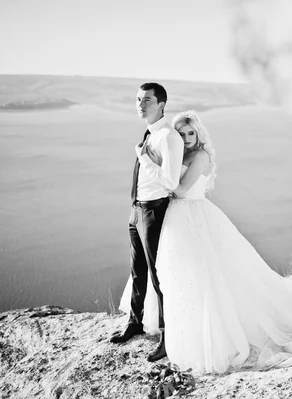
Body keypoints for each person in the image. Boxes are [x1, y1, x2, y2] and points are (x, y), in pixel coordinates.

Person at [120, 110, 292, 373]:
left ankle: (212, 334)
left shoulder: (201, 156)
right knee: (181, 277)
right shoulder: (181, 152)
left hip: (195, 217)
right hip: (177, 219)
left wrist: (148, 162)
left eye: (190, 132)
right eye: (181, 133)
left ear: (199, 134)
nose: (186, 137)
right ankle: (180, 330)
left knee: (209, 276)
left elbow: (179, 188)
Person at [110, 83, 184, 363]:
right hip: (137, 210)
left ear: (162, 104)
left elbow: (171, 182)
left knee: (158, 275)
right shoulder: (150, 133)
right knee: (137, 271)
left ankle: (167, 337)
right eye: (138, 99)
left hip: (154, 212)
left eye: (147, 100)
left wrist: (143, 158)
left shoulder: (169, 137)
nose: (141, 104)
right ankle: (134, 323)